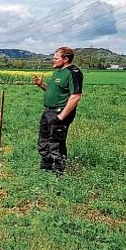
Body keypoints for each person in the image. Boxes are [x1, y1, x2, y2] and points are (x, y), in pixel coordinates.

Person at [33, 46, 83, 175]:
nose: (52, 60)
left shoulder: (73, 72)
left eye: (56, 58)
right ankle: (46, 166)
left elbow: (76, 96)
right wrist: (41, 85)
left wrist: (61, 116)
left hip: (60, 112)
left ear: (66, 59)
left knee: (56, 142)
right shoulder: (58, 72)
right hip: (48, 111)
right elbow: (54, 91)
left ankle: (59, 171)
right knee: (44, 139)